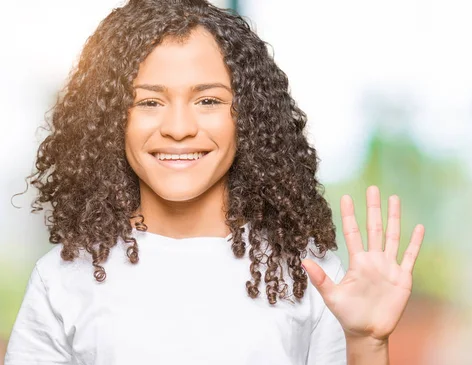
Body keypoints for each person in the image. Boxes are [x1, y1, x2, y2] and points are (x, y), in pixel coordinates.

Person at [4, 0, 425, 364]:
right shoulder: (61, 278)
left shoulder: (311, 276)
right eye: (149, 101)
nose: (180, 128)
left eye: (208, 100)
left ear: (249, 117)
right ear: (112, 119)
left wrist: (368, 342)